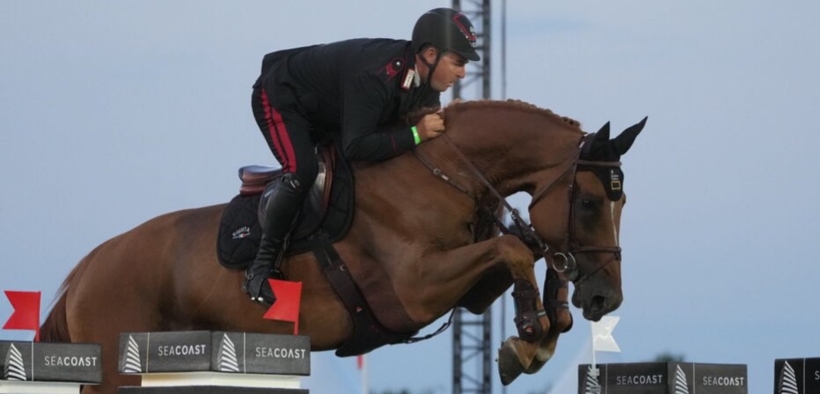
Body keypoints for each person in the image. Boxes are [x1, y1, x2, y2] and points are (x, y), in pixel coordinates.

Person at [245, 7, 480, 305]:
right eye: (458, 62)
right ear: (431, 55)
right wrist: (416, 134)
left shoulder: (424, 83)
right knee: (302, 170)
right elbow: (356, 146)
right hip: (281, 96)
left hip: (328, 107)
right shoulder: (377, 76)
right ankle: (259, 270)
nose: (463, 73)